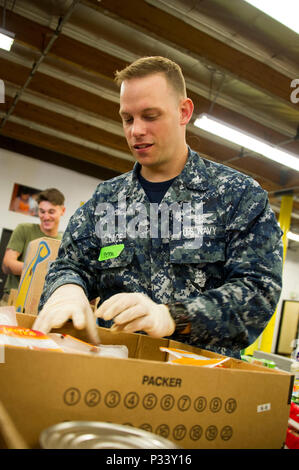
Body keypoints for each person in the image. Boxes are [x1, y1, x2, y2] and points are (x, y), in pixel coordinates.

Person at [33, 57, 283, 358]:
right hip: (112, 373)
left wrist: (173, 317)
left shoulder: (237, 195)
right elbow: (70, 265)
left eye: (150, 116)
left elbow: (258, 293)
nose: (136, 130)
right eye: (128, 118)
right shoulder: (107, 200)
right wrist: (67, 289)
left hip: (200, 383)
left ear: (184, 112)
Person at [1, 188, 65, 300]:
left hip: (42, 305)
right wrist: (42, 270)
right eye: (42, 211)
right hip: (13, 300)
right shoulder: (24, 229)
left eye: (51, 212)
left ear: (62, 211)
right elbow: (7, 265)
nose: (46, 217)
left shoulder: (64, 241)